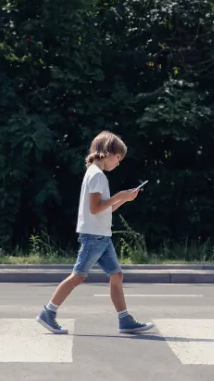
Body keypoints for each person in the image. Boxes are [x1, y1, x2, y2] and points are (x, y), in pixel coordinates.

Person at [36, 131, 154, 334]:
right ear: (108, 153)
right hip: (94, 237)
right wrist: (119, 195)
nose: (118, 163)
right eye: (118, 158)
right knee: (77, 277)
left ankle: (124, 319)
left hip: (102, 236)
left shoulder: (93, 173)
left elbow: (102, 209)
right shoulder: (98, 176)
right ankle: (48, 312)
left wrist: (123, 199)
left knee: (116, 275)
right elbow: (95, 208)